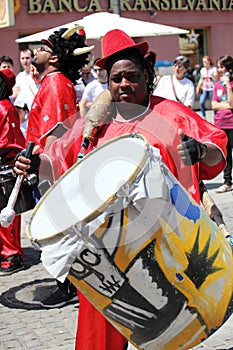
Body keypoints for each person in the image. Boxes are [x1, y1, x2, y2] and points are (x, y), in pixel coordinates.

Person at [14, 29, 227, 350]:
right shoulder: (93, 125)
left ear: (146, 76)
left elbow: (216, 151)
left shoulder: (171, 114)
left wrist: (199, 150)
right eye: (116, 79)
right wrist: (33, 164)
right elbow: (59, 164)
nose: (123, 85)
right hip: (107, 247)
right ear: (107, 82)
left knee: (172, 330)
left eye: (131, 77)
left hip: (167, 241)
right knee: (98, 337)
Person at [25, 26, 94, 308]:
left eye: (42, 48)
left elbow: (53, 139)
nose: (35, 53)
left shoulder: (54, 83)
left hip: (54, 174)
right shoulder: (56, 81)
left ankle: (68, 288)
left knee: (61, 233)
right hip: (55, 172)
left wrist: (43, 173)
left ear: (53, 58)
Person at [0, 69, 26, 276]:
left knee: (7, 213)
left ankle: (12, 255)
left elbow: (8, 141)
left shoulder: (5, 108)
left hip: (6, 167)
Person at [212, 55, 233, 193]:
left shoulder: (229, 84)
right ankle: (227, 182)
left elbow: (231, 104)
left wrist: (227, 85)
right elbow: (213, 105)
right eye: (218, 67)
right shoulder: (216, 85)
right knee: (226, 155)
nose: (219, 70)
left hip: (232, 123)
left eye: (222, 67)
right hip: (220, 124)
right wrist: (224, 105)